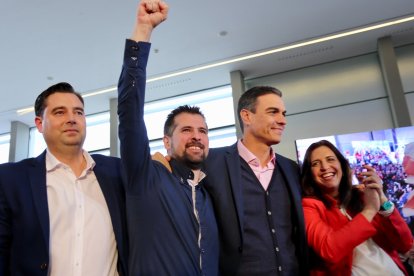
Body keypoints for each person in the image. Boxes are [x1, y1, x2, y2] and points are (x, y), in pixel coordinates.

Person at [117, 1, 218, 275]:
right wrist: (143, 31)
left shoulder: (209, 193)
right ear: (166, 141)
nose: (196, 137)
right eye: (186, 130)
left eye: (203, 131)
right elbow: (130, 113)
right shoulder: (146, 178)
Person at [0, 82, 128, 275]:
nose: (72, 119)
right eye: (59, 112)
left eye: (78, 112)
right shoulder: (11, 179)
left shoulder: (117, 171)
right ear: (39, 124)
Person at [204, 86, 308, 275]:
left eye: (284, 114)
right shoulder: (211, 163)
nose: (282, 120)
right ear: (247, 116)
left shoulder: (292, 169)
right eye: (273, 112)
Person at [301, 139, 412, 276]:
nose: (324, 167)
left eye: (330, 159)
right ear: (309, 174)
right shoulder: (309, 206)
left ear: (342, 165)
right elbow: (329, 250)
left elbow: (405, 244)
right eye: (315, 164)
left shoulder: (362, 195)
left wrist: (382, 198)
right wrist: (370, 210)